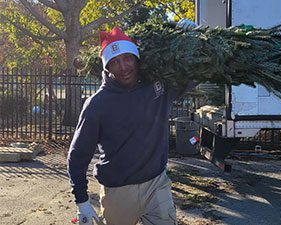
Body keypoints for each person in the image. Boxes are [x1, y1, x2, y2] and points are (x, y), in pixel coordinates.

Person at [67, 19, 197, 225]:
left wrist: (195, 40)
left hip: (157, 184)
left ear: (137, 59)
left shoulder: (157, 87)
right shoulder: (97, 104)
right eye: (115, 62)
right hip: (118, 191)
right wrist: (82, 201)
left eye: (127, 58)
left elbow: (194, 75)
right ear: (107, 67)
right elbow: (77, 156)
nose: (123, 67)